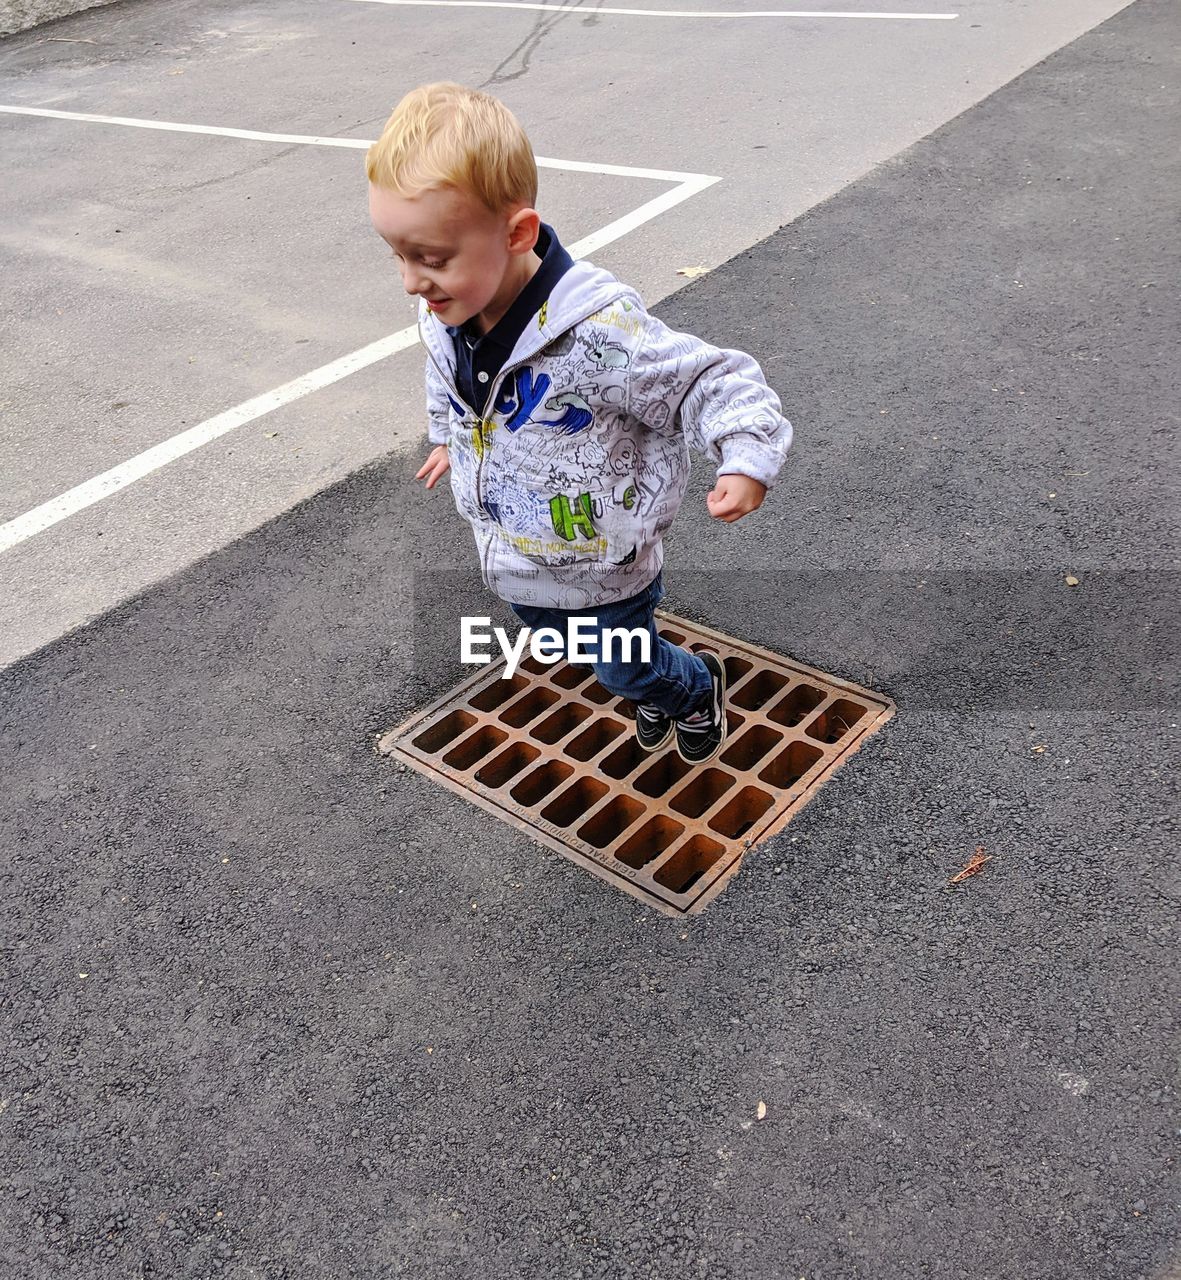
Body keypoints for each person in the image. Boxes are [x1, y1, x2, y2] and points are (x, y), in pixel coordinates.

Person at [366, 83, 792, 765]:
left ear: (516, 235)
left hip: (605, 562)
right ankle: (653, 680)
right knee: (554, 639)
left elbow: (708, 379)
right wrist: (447, 432)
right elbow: (443, 372)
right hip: (512, 551)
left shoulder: (598, 337)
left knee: (620, 666)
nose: (411, 281)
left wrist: (744, 453)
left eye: (432, 257)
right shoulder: (447, 312)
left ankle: (689, 687)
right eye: (397, 254)